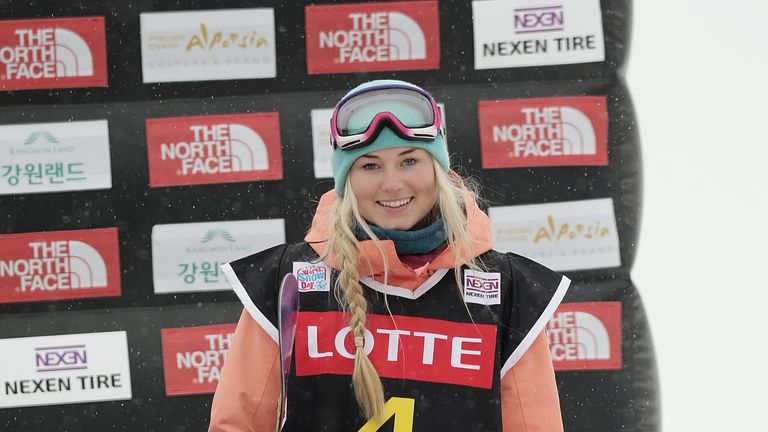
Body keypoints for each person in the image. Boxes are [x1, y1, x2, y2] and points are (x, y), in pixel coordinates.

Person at [209, 80, 570, 431]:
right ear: (346, 178)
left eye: (409, 161)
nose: (392, 183)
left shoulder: (506, 290)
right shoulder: (289, 281)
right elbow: (237, 424)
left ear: (437, 169)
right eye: (370, 166)